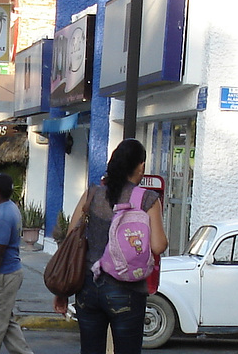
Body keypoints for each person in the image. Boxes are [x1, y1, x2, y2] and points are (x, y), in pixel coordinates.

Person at [53, 139, 168, 354]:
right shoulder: (147, 199)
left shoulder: (93, 194)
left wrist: (63, 291)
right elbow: (159, 246)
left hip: (87, 286)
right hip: (128, 290)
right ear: (141, 166)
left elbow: (71, 236)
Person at [0, 173, 33, 354]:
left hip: (2, 276)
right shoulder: (8, 208)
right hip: (7, 273)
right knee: (5, 321)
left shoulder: (3, 215)